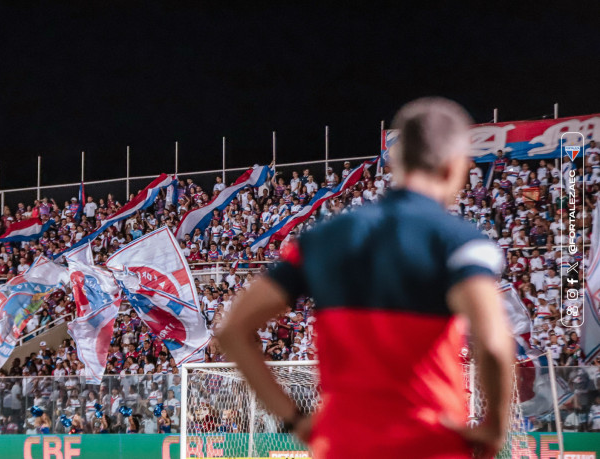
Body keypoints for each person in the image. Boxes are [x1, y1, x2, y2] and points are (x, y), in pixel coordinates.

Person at [219, 98, 515, 459]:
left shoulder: (320, 240)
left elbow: (232, 331)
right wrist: (494, 426)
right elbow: (494, 344)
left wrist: (294, 420)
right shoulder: (460, 240)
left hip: (343, 445)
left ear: (396, 162)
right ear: (456, 165)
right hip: (430, 444)